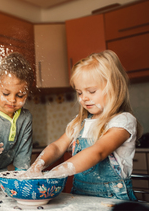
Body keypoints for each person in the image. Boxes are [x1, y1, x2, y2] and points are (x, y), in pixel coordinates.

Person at [25, 50, 142, 201]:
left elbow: (97, 152)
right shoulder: (79, 122)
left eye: (91, 91)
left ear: (114, 86)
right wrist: (37, 166)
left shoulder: (123, 121)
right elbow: (58, 146)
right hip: (80, 198)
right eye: (79, 93)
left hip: (113, 200)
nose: (84, 98)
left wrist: (54, 173)